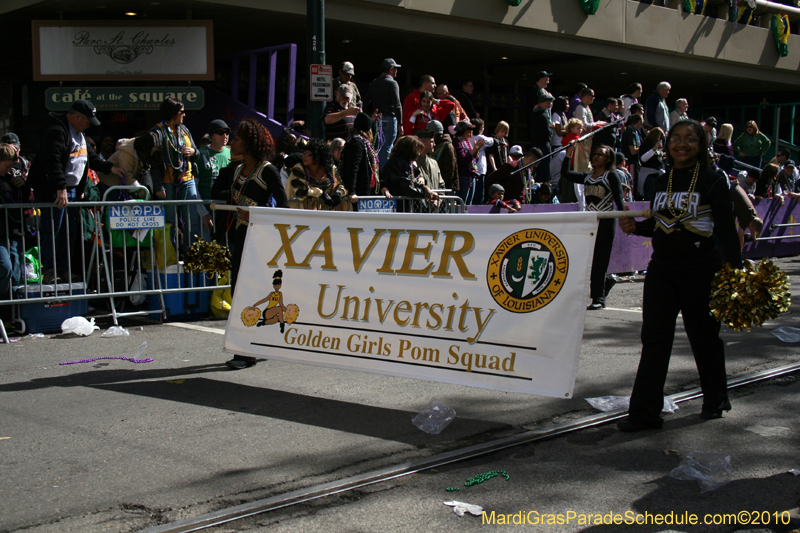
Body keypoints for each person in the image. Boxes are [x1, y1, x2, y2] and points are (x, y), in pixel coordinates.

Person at [617, 119, 743, 431]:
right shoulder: (660, 181)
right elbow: (665, 223)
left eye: (690, 139)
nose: (681, 144)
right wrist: (638, 227)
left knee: (704, 338)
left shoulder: (713, 180)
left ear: (700, 146)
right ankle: (644, 413)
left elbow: (726, 230)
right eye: (676, 138)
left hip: (703, 270)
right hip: (662, 270)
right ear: (667, 143)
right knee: (655, 338)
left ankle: (716, 397)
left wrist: (736, 273)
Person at [27, 99, 124, 283]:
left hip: (70, 191)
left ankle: (63, 269)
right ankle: (49, 270)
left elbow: (90, 157)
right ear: (77, 116)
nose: (89, 124)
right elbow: (52, 162)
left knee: (68, 233)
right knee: (52, 232)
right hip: (54, 191)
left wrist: (109, 168)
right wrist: (60, 188)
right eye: (87, 120)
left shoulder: (79, 134)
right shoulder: (55, 130)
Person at [225, 118, 289, 370]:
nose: (232, 142)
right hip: (240, 239)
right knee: (236, 290)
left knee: (248, 294)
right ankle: (254, 343)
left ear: (250, 143)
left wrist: (257, 214)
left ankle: (246, 351)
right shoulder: (236, 170)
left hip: (259, 242)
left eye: (237, 139)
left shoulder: (267, 171)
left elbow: (284, 208)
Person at [562, 142, 625, 309]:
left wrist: (626, 217)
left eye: (601, 154)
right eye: (595, 154)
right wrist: (569, 153)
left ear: (608, 159)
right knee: (587, 258)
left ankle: (599, 298)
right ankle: (605, 281)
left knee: (599, 260)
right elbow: (566, 173)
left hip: (606, 220)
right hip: (590, 221)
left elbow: (619, 198)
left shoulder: (611, 176)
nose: (596, 156)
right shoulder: (587, 177)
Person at [150, 97, 202, 253]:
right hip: (167, 181)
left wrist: (193, 152)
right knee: (170, 221)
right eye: (182, 112)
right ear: (172, 113)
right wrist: (158, 185)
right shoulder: (157, 131)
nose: (184, 115)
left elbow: (196, 152)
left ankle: (190, 255)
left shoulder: (184, 130)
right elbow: (154, 162)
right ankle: (171, 256)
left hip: (187, 179)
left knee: (191, 219)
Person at [0, 143, 33, 298]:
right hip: (1, 233)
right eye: (7, 166)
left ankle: (12, 308)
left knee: (15, 268)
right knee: (5, 266)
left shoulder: (12, 179)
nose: (9, 170)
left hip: (13, 231)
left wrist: (23, 186)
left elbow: (23, 199)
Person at [285, 138, 349, 211]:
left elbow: (341, 185)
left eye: (307, 154)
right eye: (303, 153)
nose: (303, 157)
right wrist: (320, 194)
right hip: (308, 216)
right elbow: (298, 191)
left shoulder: (331, 169)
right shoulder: (299, 169)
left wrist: (338, 194)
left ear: (317, 156)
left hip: (330, 215)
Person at [379, 136, 440, 211]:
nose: (419, 154)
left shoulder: (407, 162)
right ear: (411, 150)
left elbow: (414, 180)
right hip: (398, 206)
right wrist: (424, 193)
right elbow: (406, 186)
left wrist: (424, 186)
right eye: (418, 151)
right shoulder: (398, 162)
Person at [365, 58, 403, 170]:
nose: (396, 71)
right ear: (391, 70)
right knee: (387, 148)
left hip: (377, 120)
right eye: (395, 68)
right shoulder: (392, 83)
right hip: (390, 120)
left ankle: (375, 173)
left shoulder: (374, 82)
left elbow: (365, 101)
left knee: (377, 148)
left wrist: (368, 117)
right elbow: (397, 105)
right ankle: (383, 176)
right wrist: (400, 123)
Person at [98, 130, 158, 199]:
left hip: (120, 186)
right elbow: (126, 175)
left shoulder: (139, 152)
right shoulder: (127, 153)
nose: (151, 154)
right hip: (109, 185)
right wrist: (143, 193)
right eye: (151, 151)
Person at [197, 119, 231, 238]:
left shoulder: (232, 153)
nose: (225, 135)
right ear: (212, 135)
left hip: (226, 211)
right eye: (220, 132)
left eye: (227, 132)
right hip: (207, 211)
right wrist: (203, 213)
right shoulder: (200, 154)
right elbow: (194, 187)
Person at [340, 112, 381, 205]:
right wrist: (352, 192)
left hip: (365, 190)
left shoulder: (360, 141)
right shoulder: (357, 142)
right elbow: (352, 167)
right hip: (357, 193)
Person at [453, 119, 481, 205]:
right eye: (470, 129)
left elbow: (472, 159)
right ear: (464, 131)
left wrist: (476, 154)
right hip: (463, 176)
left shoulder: (467, 142)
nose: (472, 131)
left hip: (471, 176)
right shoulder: (457, 142)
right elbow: (463, 159)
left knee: (468, 205)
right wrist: (475, 149)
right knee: (462, 204)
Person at [638, 127, 666, 201]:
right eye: (659, 138)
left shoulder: (658, 149)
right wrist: (654, 149)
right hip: (649, 175)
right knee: (649, 197)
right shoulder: (646, 146)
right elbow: (643, 159)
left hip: (658, 174)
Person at [470, 118, 494, 205]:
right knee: (479, 195)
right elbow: (491, 141)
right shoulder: (480, 138)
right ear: (480, 129)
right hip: (479, 169)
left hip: (471, 170)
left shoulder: (468, 138)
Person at [430, 120, 458, 192]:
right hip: (435, 184)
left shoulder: (447, 146)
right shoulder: (435, 146)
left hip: (446, 186)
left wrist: (443, 185)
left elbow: (450, 168)